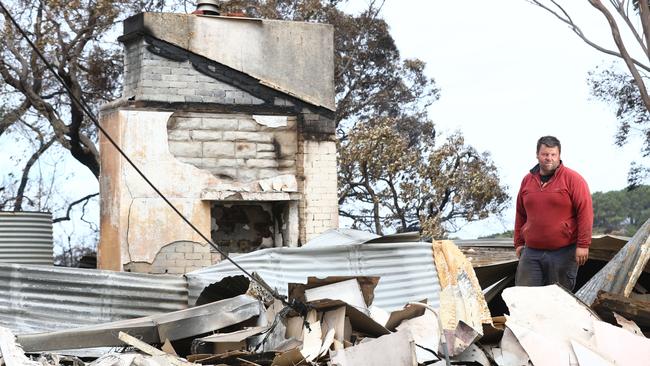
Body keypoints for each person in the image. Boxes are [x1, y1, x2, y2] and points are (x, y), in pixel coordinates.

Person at [514, 135, 593, 290]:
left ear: (559, 156)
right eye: (545, 154)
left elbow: (585, 213)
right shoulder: (527, 181)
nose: (549, 158)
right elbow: (520, 213)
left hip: (563, 252)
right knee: (525, 296)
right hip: (531, 252)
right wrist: (518, 243)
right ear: (537, 155)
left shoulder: (573, 179)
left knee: (558, 299)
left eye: (553, 154)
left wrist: (583, 244)